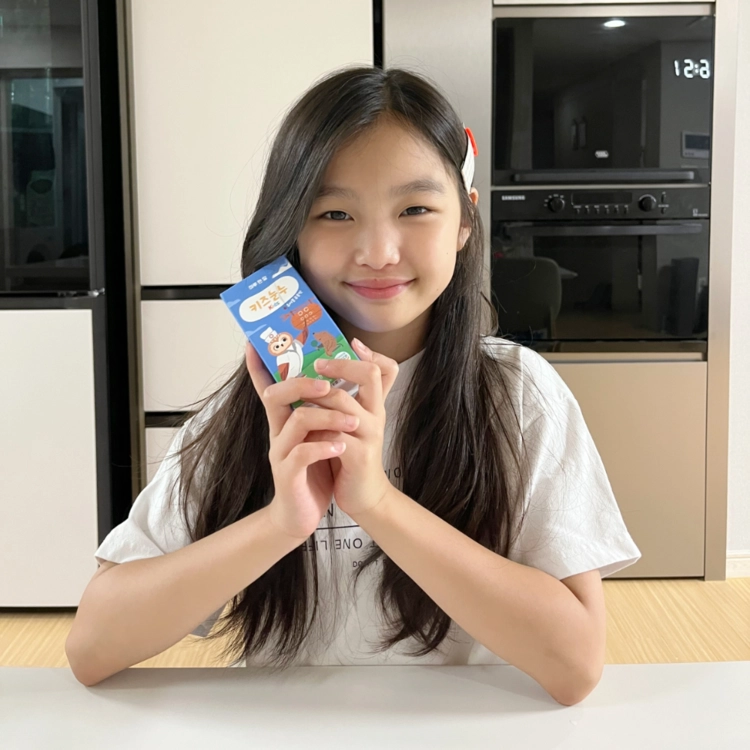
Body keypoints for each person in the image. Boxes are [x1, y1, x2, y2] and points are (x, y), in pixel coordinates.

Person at [66, 65, 641, 704]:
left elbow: (575, 665)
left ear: (465, 222)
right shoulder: (253, 411)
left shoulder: (518, 394)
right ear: (291, 230)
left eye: (415, 209)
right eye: (335, 213)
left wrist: (378, 504)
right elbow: (92, 647)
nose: (378, 251)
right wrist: (282, 523)